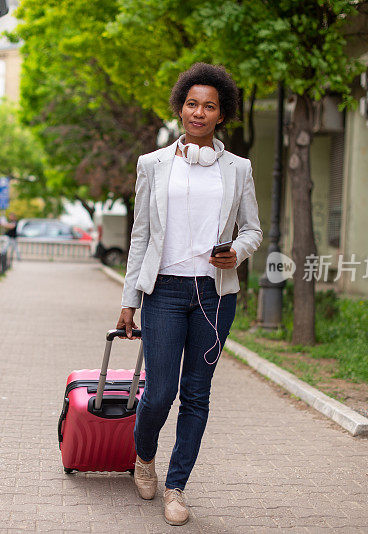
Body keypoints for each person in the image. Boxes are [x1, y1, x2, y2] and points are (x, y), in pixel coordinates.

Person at [117, 63, 262, 526]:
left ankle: (177, 487)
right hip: (163, 291)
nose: (199, 112)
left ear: (222, 114)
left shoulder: (238, 169)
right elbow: (140, 236)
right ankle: (143, 457)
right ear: (181, 107)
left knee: (197, 394)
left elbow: (254, 230)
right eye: (192, 103)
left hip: (215, 295)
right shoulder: (153, 164)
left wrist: (235, 252)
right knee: (160, 391)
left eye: (210, 106)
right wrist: (129, 299)